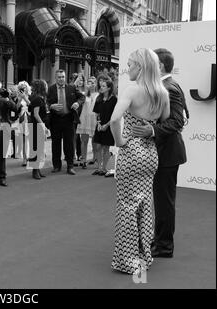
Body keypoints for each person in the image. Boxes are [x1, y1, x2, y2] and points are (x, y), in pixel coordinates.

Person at [110, 48, 170, 275]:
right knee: (145, 206)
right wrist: (150, 130)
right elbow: (163, 124)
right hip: (150, 154)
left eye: (131, 65)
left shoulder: (133, 90)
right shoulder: (161, 93)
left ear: (141, 67)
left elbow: (115, 118)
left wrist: (120, 141)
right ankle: (144, 255)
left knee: (127, 206)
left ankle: (128, 260)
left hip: (132, 152)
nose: (127, 69)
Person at [132, 48, 188, 258]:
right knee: (161, 200)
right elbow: (183, 115)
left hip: (167, 154)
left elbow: (177, 120)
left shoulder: (169, 87)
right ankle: (160, 239)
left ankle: (164, 245)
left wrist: (152, 130)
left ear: (160, 66)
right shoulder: (167, 85)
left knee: (164, 202)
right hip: (163, 153)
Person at [47, 70, 85, 175]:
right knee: (55, 143)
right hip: (55, 119)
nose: (61, 79)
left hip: (69, 119)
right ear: (56, 78)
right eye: (59, 77)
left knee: (69, 144)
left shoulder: (71, 88)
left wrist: (78, 103)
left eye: (63, 77)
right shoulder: (51, 89)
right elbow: (46, 101)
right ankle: (56, 166)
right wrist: (51, 106)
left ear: (65, 77)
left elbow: (82, 97)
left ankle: (70, 166)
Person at [92, 80, 117, 177]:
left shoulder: (114, 99)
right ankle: (99, 168)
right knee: (97, 146)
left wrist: (106, 125)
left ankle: (104, 168)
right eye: (101, 86)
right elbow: (97, 113)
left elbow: (115, 115)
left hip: (109, 126)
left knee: (106, 147)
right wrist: (98, 123)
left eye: (103, 86)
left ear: (109, 88)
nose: (101, 87)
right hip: (99, 126)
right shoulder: (99, 98)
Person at [28, 79, 49, 179]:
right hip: (36, 126)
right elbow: (36, 115)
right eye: (45, 85)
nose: (47, 86)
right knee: (36, 149)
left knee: (39, 149)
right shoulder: (37, 99)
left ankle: (38, 170)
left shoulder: (38, 98)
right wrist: (43, 126)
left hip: (37, 125)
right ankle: (35, 171)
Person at [76, 77, 99, 169]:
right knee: (84, 140)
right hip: (85, 119)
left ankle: (95, 157)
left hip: (94, 119)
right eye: (90, 82)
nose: (92, 84)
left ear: (96, 84)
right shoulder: (83, 95)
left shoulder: (99, 95)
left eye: (93, 82)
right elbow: (75, 90)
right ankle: (84, 160)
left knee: (95, 140)